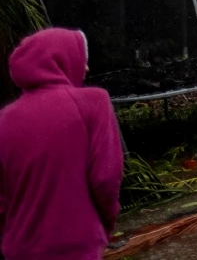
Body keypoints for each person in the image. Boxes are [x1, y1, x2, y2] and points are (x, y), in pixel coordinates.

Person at [0, 27, 123, 260]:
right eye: (82, 58)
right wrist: (105, 225)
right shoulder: (93, 102)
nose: (86, 67)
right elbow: (105, 179)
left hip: (19, 250)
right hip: (75, 248)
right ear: (61, 59)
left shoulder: (3, 119)